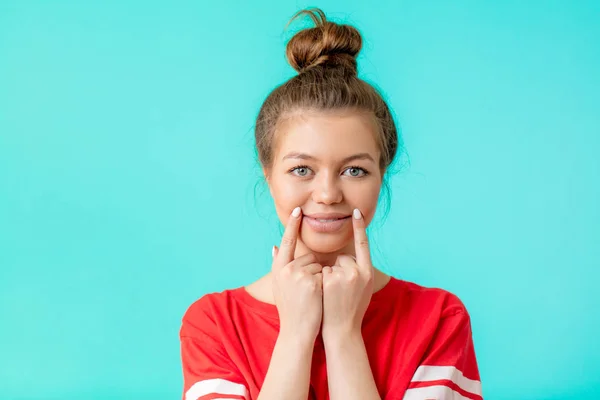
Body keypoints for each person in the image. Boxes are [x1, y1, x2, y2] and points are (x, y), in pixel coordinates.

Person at [179, 8, 482, 400]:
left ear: (382, 174)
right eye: (302, 169)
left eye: (354, 171)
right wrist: (295, 334)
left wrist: (343, 335)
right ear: (267, 175)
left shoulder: (439, 319)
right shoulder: (214, 325)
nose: (327, 194)